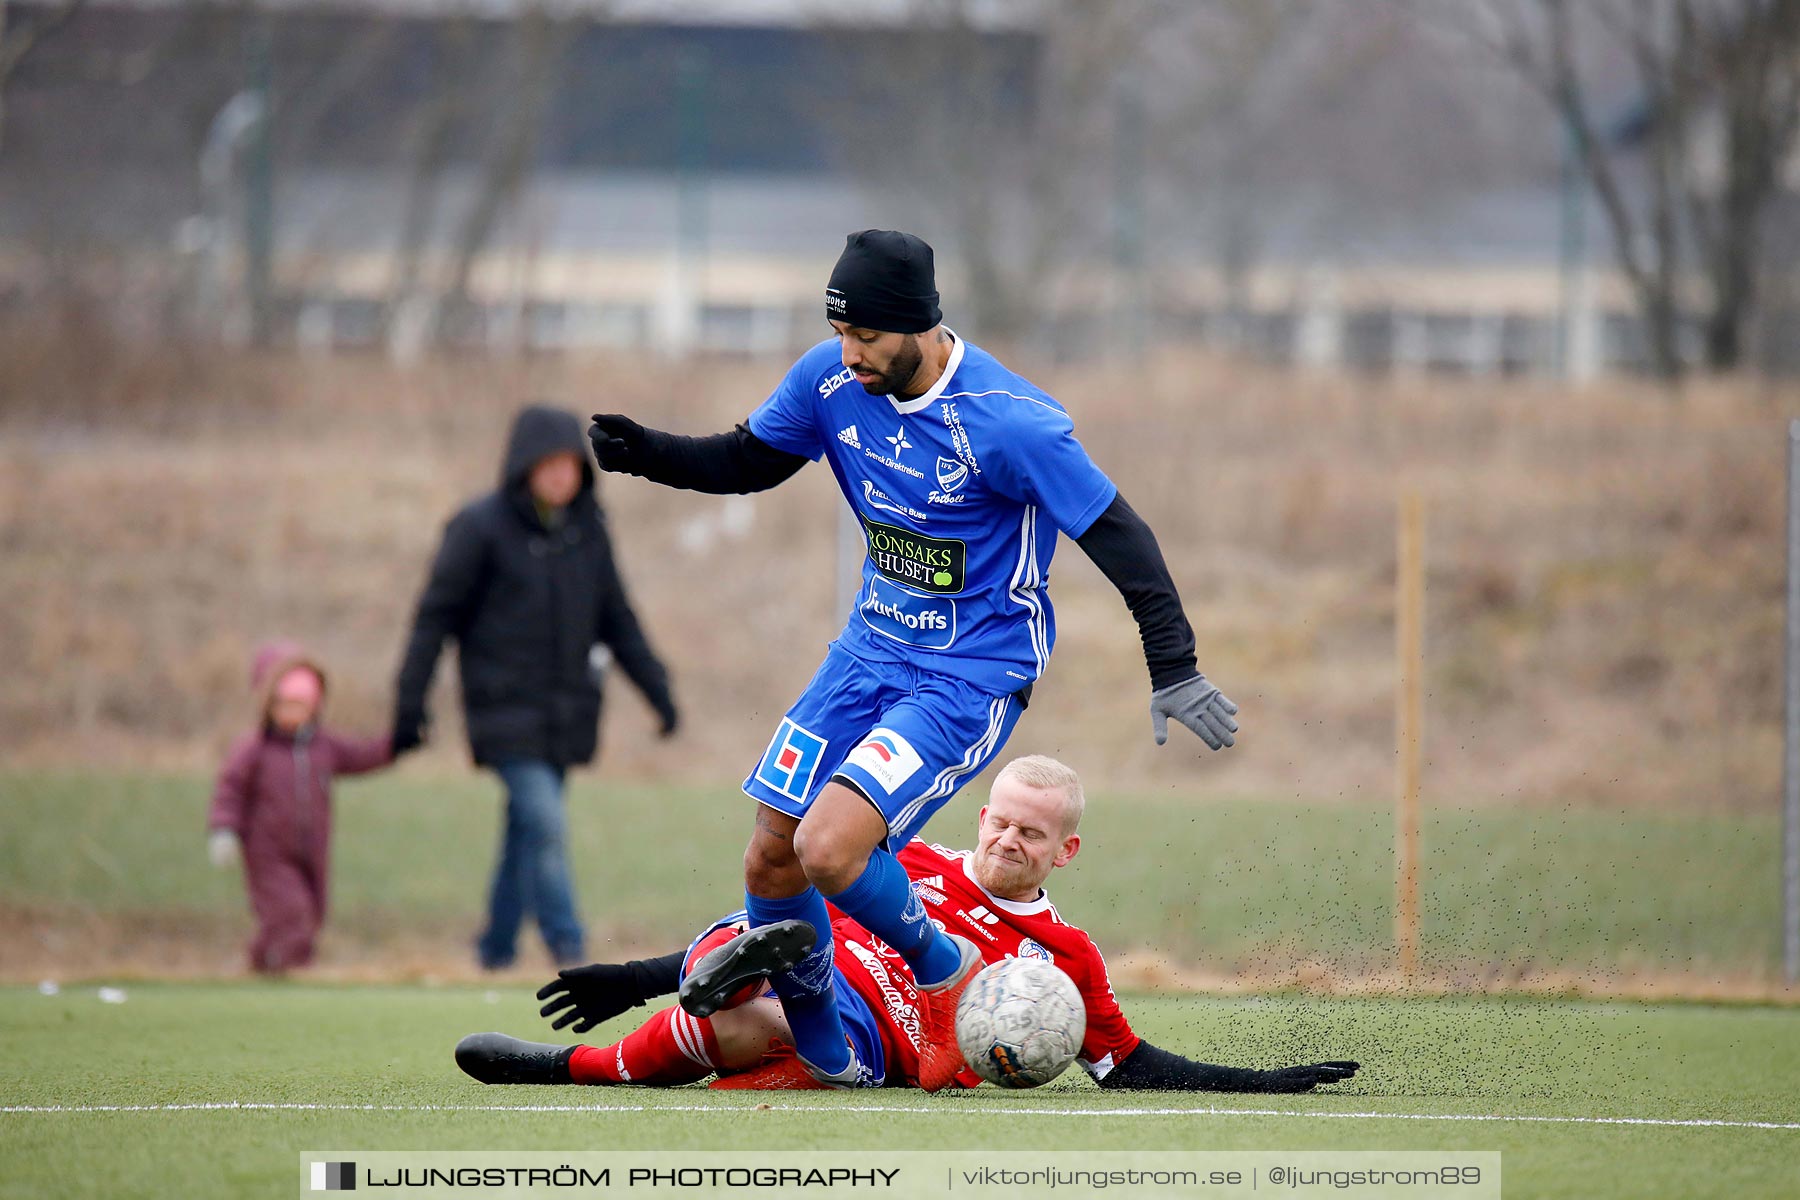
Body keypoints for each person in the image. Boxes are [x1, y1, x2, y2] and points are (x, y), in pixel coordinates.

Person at [583, 230, 1241, 1088]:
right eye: (841, 333)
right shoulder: (828, 378)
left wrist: (1174, 664)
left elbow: (1120, 534)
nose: (849, 353)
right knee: (769, 860)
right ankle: (830, 1061)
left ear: (922, 327)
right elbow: (750, 461)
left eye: (868, 338)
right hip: (866, 655)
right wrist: (650, 454)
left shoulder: (1007, 422)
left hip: (969, 673)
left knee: (828, 848)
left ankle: (943, 971)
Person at [455, 756, 1357, 1093]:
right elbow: (796, 892)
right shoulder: (904, 860)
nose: (1007, 837)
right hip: (803, 973)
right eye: (999, 818)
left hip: (875, 1043)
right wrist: (630, 977)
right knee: (765, 954)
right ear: (980, 815)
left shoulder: (1066, 958)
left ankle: (607, 1044)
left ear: (1064, 853)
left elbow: (1126, 1065)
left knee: (747, 1019)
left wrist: (1261, 1082)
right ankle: (602, 1038)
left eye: (1031, 833)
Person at [394, 404, 680, 970]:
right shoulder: (478, 528)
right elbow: (434, 618)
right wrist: (410, 703)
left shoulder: (588, 532)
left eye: (570, 465)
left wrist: (658, 691)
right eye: (548, 465)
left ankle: (495, 950)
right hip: (502, 714)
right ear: (524, 466)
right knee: (544, 822)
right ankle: (570, 947)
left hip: (566, 716)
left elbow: (617, 617)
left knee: (526, 831)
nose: (561, 476)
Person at [207, 641, 398, 973]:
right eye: (287, 705)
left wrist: (400, 741)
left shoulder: (324, 747)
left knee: (310, 918)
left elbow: (365, 755)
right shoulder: (253, 750)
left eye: (303, 706)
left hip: (313, 852)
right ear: (269, 705)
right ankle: (282, 972)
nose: (295, 715)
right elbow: (230, 791)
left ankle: (263, 969)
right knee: (289, 915)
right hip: (268, 854)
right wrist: (224, 829)